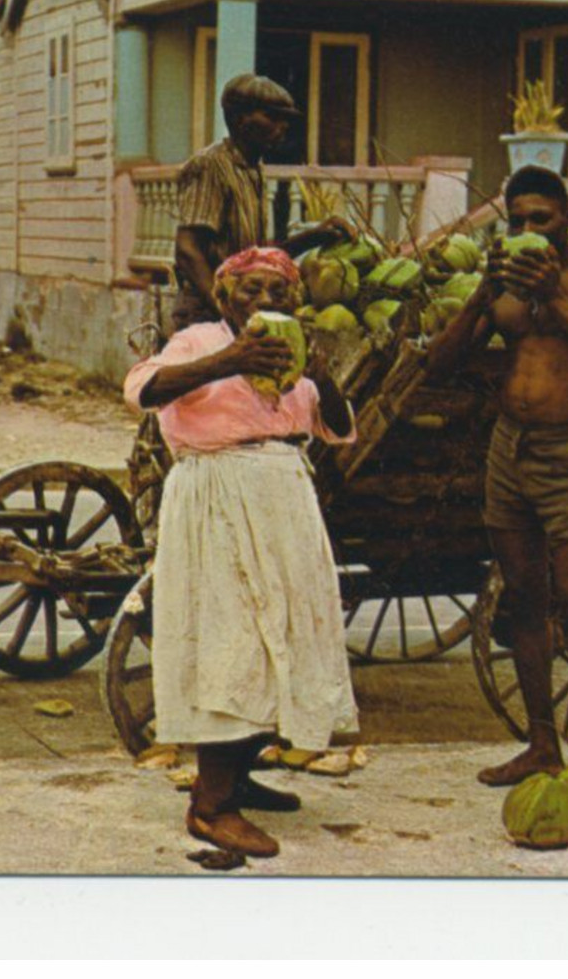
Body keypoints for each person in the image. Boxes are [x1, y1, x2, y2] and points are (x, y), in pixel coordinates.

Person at [124, 246, 359, 858]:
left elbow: (336, 426)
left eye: (278, 292)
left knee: (283, 640)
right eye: (250, 291)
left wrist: (319, 372)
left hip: (283, 501)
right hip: (219, 499)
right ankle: (210, 806)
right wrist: (231, 360)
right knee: (234, 643)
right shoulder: (201, 341)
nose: (265, 302)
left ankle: (240, 775)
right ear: (227, 299)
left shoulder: (291, 352)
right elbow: (145, 390)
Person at [425, 166, 568, 787]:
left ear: (567, 219)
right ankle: (542, 746)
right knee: (523, 604)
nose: (526, 230)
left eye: (539, 219)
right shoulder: (503, 289)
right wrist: (479, 297)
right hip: (509, 450)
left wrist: (553, 300)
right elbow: (440, 365)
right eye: (516, 220)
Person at [172, 73, 355, 330]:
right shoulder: (210, 165)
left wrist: (315, 236)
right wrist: (223, 310)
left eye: (286, 120)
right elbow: (188, 251)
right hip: (206, 314)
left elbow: (255, 259)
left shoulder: (253, 170)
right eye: (272, 117)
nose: (282, 126)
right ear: (240, 119)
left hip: (240, 308)